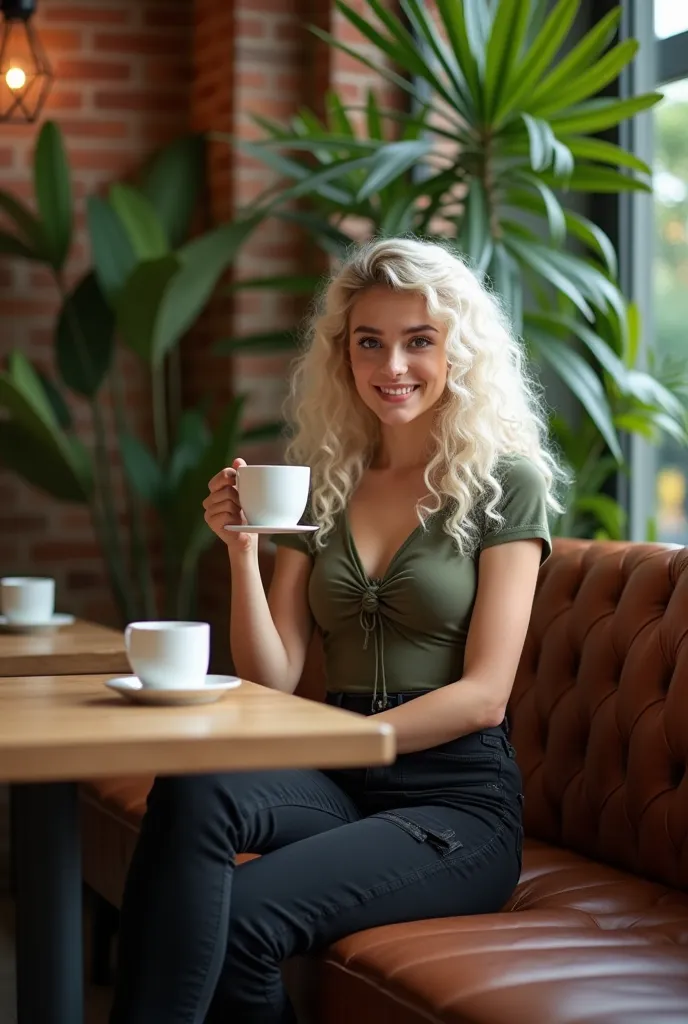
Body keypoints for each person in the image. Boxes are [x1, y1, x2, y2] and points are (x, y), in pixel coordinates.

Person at [110, 237, 565, 1023]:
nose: (393, 365)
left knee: (242, 920)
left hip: (452, 802)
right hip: (337, 782)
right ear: (343, 355)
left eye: (419, 341)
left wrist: (342, 742)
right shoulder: (328, 482)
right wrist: (245, 551)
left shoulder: (505, 484)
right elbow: (274, 676)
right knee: (191, 787)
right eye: (369, 342)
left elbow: (485, 697)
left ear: (459, 348)